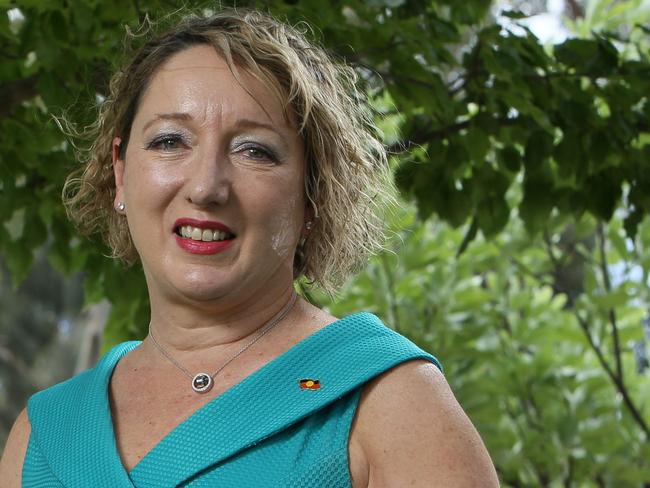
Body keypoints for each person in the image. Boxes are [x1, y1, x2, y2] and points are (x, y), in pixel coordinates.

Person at [0, 8, 499, 487]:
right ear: (120, 172)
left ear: (312, 194)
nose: (206, 187)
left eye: (253, 150)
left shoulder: (390, 403)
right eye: (170, 140)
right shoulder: (40, 438)